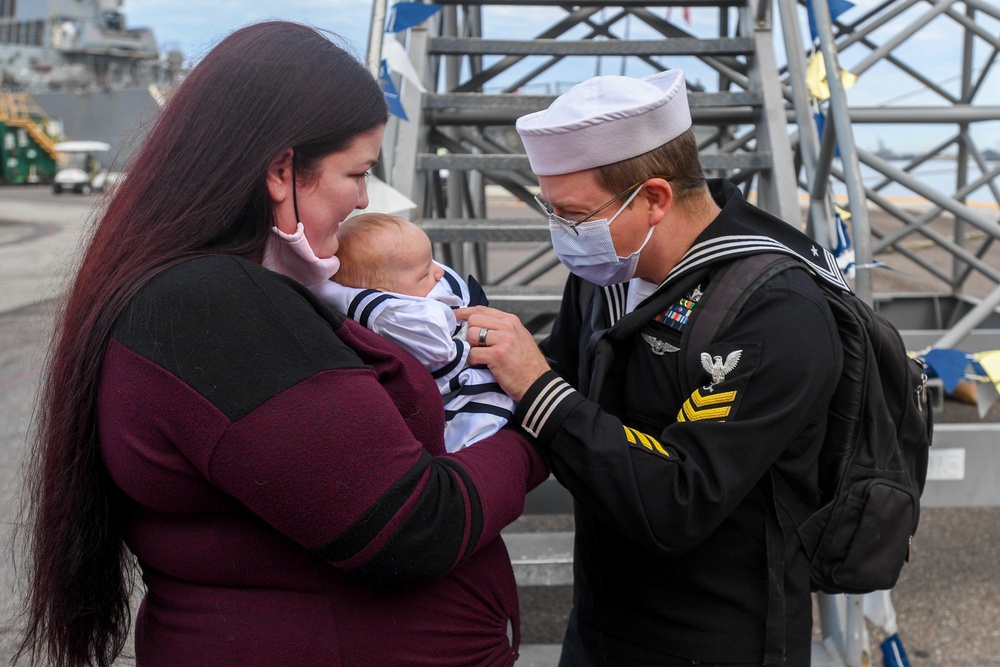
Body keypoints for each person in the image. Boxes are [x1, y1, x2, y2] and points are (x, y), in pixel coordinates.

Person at [15, 21, 548, 667]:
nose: (361, 200)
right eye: (356, 173)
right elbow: (413, 526)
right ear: (280, 170)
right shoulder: (212, 307)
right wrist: (534, 425)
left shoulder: (202, 289)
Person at [456, 69, 845, 666]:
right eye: (551, 210)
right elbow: (561, 384)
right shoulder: (608, 273)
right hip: (600, 622)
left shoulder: (774, 308)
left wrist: (537, 388)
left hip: (719, 639)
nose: (562, 232)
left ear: (655, 198)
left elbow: (679, 502)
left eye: (574, 214)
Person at [312, 212, 515, 452]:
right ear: (386, 291)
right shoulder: (397, 319)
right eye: (425, 274)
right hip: (452, 395)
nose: (439, 275)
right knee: (481, 416)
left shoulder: (401, 279)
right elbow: (439, 354)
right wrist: (469, 346)